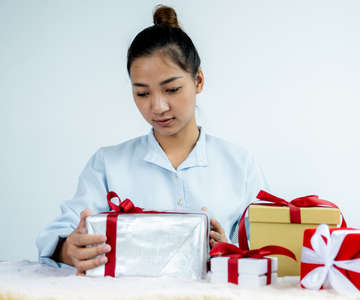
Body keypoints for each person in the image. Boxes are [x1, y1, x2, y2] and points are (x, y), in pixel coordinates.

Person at [36, 5, 268, 275]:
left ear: (199, 80)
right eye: (142, 93)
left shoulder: (239, 163)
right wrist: (69, 249)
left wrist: (231, 251)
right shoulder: (108, 164)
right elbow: (56, 235)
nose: (158, 107)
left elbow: (270, 248)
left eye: (171, 89)